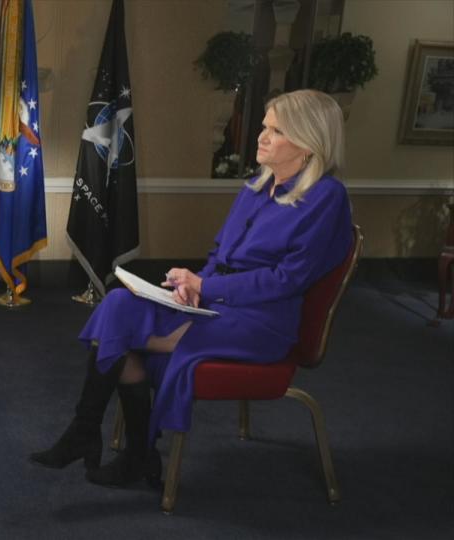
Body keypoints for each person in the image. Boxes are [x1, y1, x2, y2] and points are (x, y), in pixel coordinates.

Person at [30, 89, 354, 489]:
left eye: (276, 131)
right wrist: (194, 284)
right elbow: (220, 252)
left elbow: (287, 279)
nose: (261, 136)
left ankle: (131, 452)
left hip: (262, 322)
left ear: (308, 143)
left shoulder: (327, 197)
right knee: (117, 303)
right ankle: (94, 433)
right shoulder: (257, 184)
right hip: (219, 304)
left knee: (122, 335)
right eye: (264, 126)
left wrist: (209, 286)